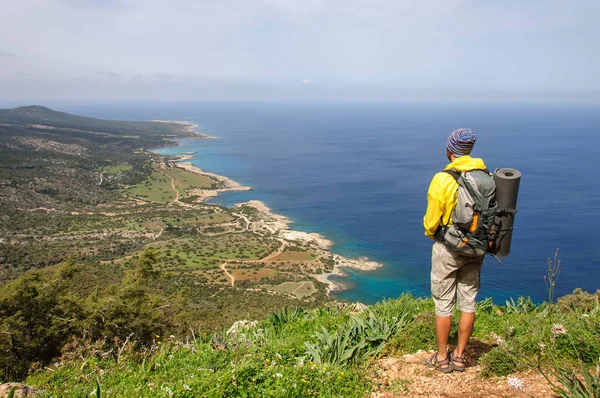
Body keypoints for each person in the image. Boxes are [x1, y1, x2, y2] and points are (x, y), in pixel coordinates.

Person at [423, 128, 487, 373]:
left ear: (450, 151)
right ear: (469, 150)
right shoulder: (484, 175)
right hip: (476, 247)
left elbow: (432, 219)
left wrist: (434, 235)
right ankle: (460, 356)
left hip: (448, 248)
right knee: (468, 301)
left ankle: (441, 357)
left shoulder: (443, 179)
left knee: (443, 303)